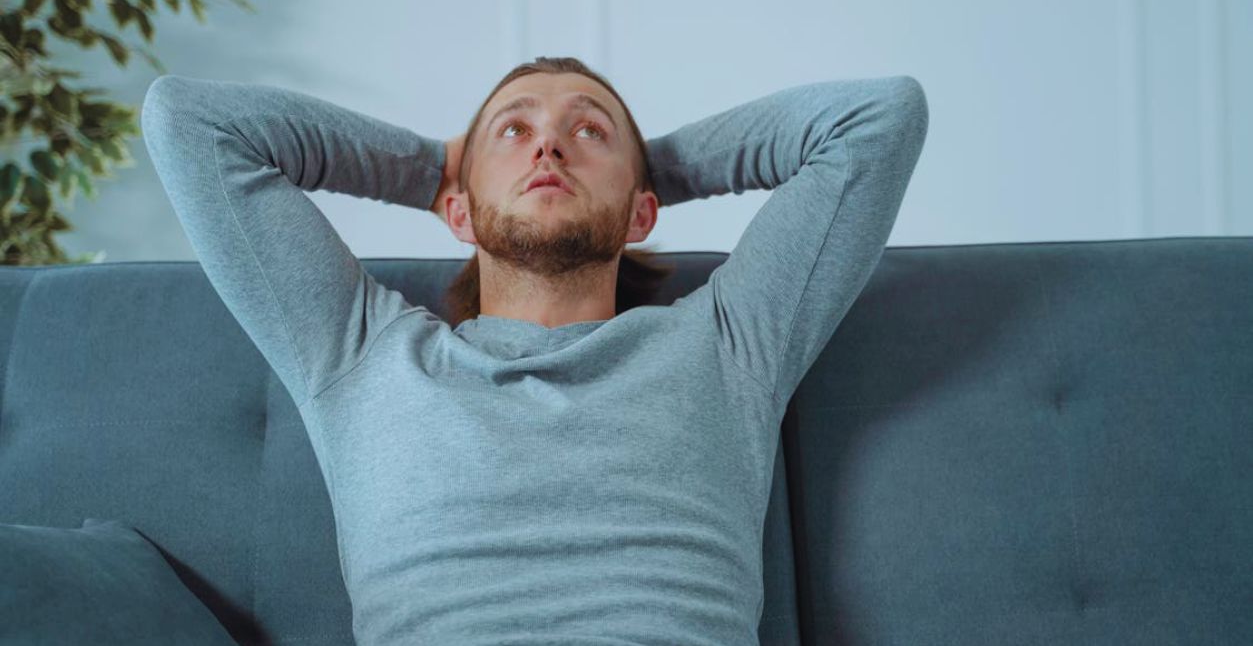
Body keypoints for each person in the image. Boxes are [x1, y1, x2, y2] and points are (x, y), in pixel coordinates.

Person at [141, 57, 929, 646]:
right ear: (457, 210)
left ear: (641, 214)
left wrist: (647, 173)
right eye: (513, 131)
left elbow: (879, 117)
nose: (548, 144)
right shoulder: (357, 353)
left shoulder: (728, 345)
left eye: (588, 131)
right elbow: (187, 119)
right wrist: (429, 168)